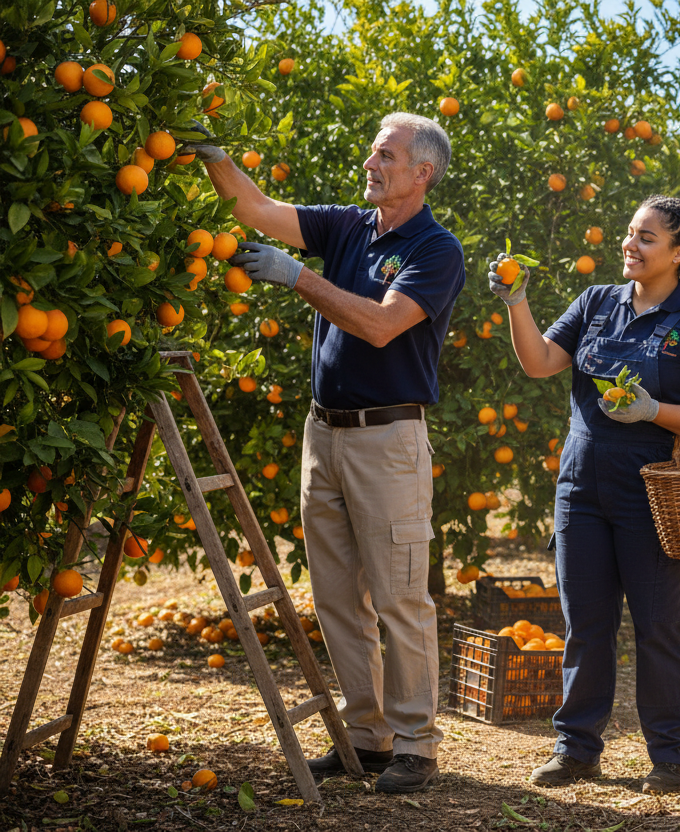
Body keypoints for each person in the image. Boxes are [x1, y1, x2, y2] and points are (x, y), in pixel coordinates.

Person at [186, 113, 465, 793]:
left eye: (386, 154)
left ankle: (417, 745)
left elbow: (379, 326)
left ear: (420, 172)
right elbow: (252, 205)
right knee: (338, 596)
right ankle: (367, 737)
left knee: (401, 597)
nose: (370, 162)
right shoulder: (346, 225)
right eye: (372, 150)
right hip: (326, 433)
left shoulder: (435, 249)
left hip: (387, 439)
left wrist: (297, 279)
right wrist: (210, 152)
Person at [489, 196, 680, 793]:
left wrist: (653, 410)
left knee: (660, 625)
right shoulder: (596, 303)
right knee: (585, 623)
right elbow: (541, 362)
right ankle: (576, 748)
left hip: (653, 494)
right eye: (629, 234)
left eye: (646, 238)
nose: (630, 244)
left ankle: (673, 754)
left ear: (679, 253)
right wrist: (516, 303)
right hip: (581, 488)